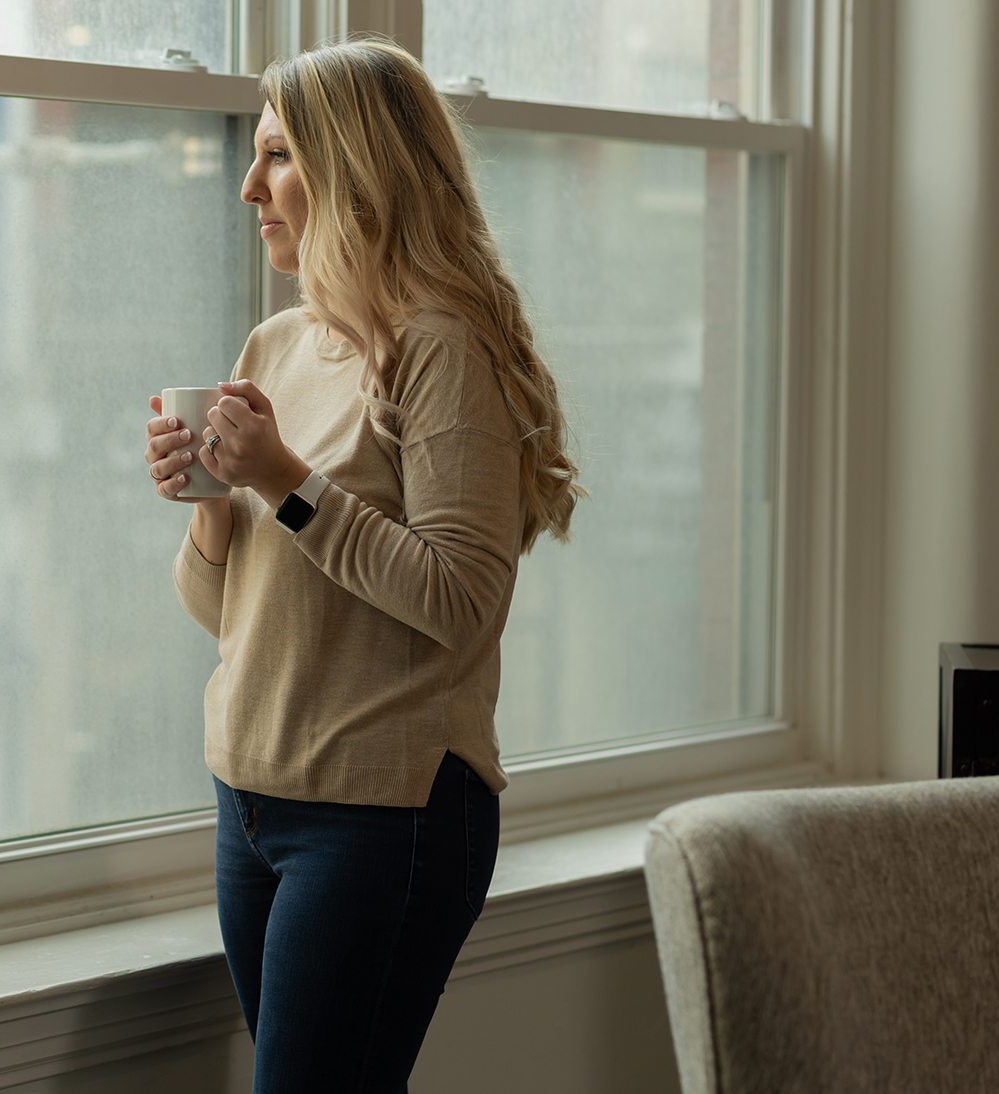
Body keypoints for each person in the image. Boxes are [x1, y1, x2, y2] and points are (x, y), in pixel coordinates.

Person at [142, 38, 583, 1093]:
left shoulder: (439, 348)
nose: (249, 185)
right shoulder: (275, 344)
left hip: (383, 813)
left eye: (279, 156)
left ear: (356, 170)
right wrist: (209, 503)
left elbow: (459, 599)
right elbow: (224, 611)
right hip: (247, 798)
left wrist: (284, 478)